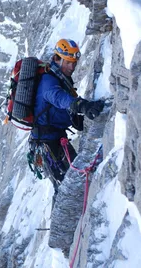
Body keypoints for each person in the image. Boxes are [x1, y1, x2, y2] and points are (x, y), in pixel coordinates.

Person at [29, 38, 104, 188]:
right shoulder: (49, 81)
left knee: (74, 182)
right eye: (68, 62)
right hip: (47, 144)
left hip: (55, 139)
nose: (72, 66)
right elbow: (59, 98)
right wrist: (82, 106)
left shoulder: (60, 78)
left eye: (74, 62)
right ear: (57, 59)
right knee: (67, 187)